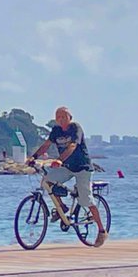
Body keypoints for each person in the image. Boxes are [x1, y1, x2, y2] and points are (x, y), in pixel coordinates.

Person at [26, 106, 107, 247]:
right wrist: (33, 157)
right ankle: (61, 207)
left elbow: (73, 146)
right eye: (58, 117)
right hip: (68, 167)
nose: (61, 119)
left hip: (83, 168)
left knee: (86, 200)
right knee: (47, 180)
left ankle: (101, 231)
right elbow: (46, 145)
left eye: (64, 117)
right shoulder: (56, 130)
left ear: (70, 117)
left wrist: (60, 160)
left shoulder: (75, 128)